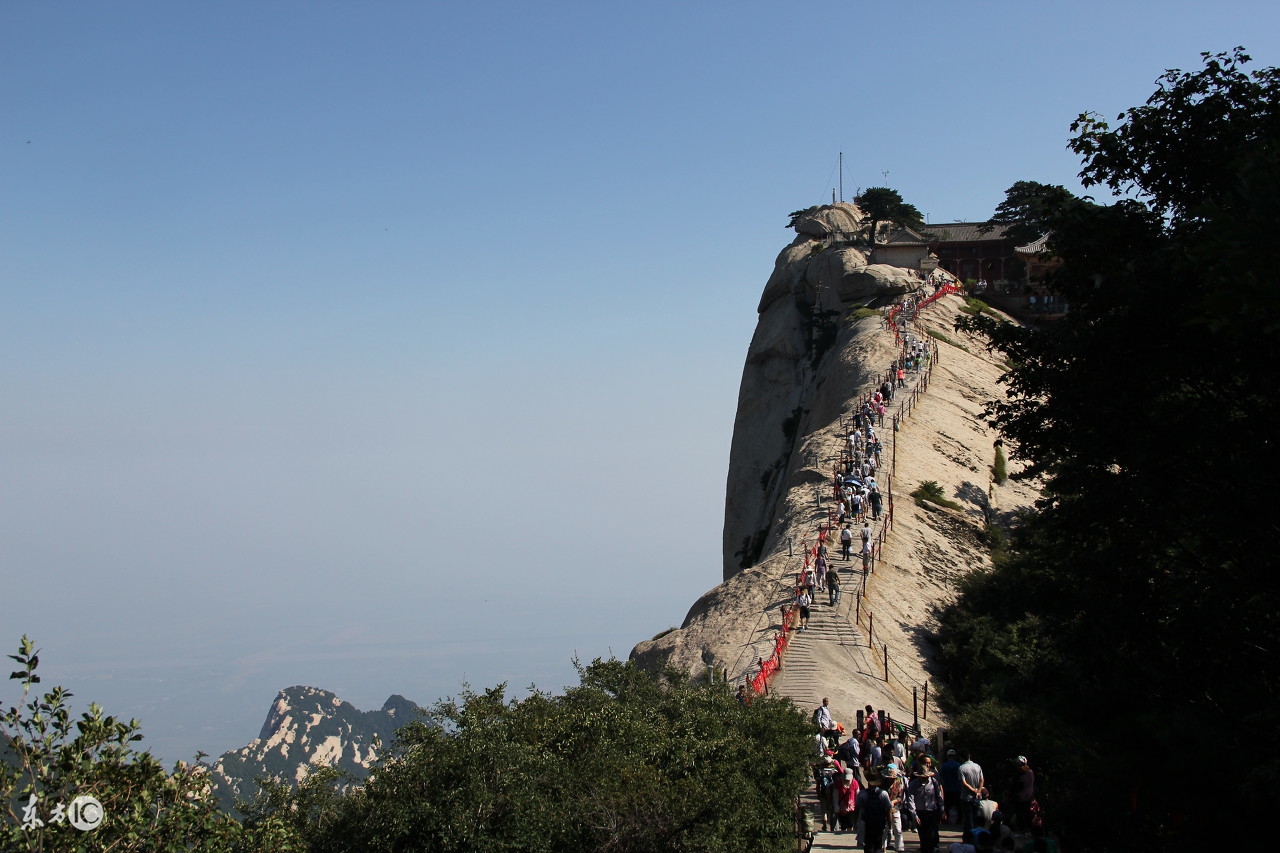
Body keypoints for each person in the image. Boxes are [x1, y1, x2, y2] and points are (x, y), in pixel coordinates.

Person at [906, 756, 946, 853]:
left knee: (932, 833)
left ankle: (933, 848)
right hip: (920, 813)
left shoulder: (933, 782)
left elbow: (939, 796)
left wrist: (942, 810)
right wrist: (914, 815)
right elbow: (910, 800)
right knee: (923, 835)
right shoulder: (913, 785)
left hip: (932, 811)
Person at [856, 778, 893, 853]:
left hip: (867, 823)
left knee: (868, 844)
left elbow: (858, 808)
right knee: (878, 845)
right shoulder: (883, 793)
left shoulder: (862, 793)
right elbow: (888, 810)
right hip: (879, 823)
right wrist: (889, 824)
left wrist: (857, 823)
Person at [958, 752, 986, 833]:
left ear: (961, 758)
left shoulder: (961, 768)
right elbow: (982, 780)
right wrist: (978, 791)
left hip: (966, 797)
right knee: (976, 817)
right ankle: (977, 834)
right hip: (977, 797)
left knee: (968, 819)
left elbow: (964, 783)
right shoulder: (977, 766)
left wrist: (973, 790)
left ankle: (970, 836)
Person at [1011, 756, 1035, 834]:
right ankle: (1029, 830)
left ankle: (1022, 831)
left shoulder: (1018, 775)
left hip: (1020, 798)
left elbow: (1014, 786)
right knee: (1027, 815)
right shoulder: (1031, 772)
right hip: (1029, 797)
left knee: (1020, 815)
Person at [939, 749, 963, 825]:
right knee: (958, 806)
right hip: (957, 788)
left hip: (947, 788)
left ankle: (945, 820)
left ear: (947, 756)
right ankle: (959, 821)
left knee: (947, 806)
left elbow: (941, 777)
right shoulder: (958, 766)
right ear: (955, 756)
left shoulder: (944, 766)